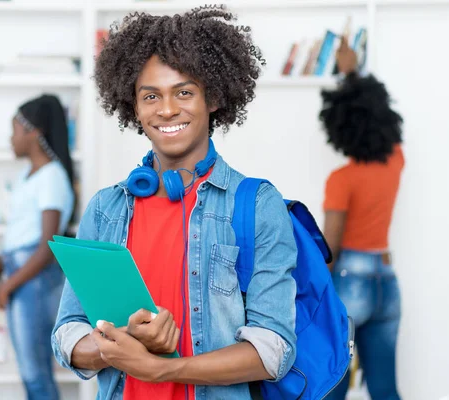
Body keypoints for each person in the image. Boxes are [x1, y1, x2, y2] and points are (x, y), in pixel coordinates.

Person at [52, 5, 298, 400]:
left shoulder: (255, 205)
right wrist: (115, 344)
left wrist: (161, 368)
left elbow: (273, 350)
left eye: (184, 92)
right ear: (134, 106)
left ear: (213, 97)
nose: (166, 109)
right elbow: (68, 334)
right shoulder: (105, 209)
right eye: (151, 96)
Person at [320, 38, 404, 400]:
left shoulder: (342, 179)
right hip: (387, 280)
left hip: (350, 280)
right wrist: (353, 72)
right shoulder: (395, 161)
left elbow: (330, 248)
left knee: (333, 386)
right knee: (385, 389)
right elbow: (377, 111)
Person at [0, 94, 75, 400]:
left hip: (35, 282)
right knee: (29, 373)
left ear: (33, 131)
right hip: (20, 273)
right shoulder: (28, 176)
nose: (10, 138)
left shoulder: (52, 177)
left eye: (15, 130)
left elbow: (47, 248)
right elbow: (16, 235)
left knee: (36, 375)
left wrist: (7, 287)